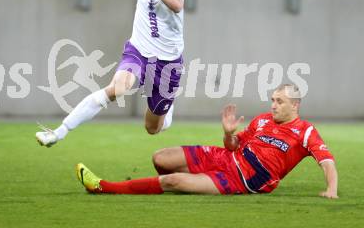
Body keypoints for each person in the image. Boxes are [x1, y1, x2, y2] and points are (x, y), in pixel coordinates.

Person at [36, 0, 198, 147]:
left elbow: (176, 5)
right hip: (139, 51)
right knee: (117, 88)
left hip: (167, 63)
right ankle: (58, 132)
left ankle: (167, 109)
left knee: (153, 128)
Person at [75, 84, 339, 198]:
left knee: (172, 180)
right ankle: (192, 182)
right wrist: (228, 133)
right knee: (160, 158)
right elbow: (232, 146)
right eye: (272, 99)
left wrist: (331, 189)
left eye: (279, 101)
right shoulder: (261, 121)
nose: (273, 105)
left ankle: (103, 187)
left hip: (243, 180)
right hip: (226, 157)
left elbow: (327, 162)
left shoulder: (305, 131)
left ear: (295, 104)